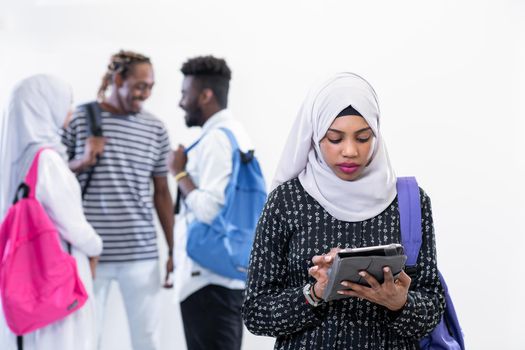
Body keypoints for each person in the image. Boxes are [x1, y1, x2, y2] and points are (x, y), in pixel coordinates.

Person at [242, 73, 446, 349]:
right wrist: (314, 293)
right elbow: (255, 312)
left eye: (363, 138)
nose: (350, 151)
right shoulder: (287, 200)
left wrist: (400, 304)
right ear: (314, 136)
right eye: (335, 138)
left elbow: (433, 304)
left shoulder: (410, 201)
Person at [61, 50, 174, 350]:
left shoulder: (156, 129)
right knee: (86, 339)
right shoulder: (80, 119)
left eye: (150, 86)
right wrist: (82, 161)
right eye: (140, 85)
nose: (146, 94)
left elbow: (161, 192)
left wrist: (173, 248)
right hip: (89, 253)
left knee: (147, 339)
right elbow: (53, 179)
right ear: (118, 79)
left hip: (140, 253)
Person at [0, 74, 103, 350]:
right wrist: (97, 245)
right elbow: (73, 227)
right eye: (66, 102)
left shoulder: (14, 158)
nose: (70, 110)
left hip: (25, 275)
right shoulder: (47, 160)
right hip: (57, 272)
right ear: (45, 106)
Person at [168, 55, 252, 350]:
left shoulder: (217, 139)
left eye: (184, 93)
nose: (180, 102)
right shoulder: (231, 134)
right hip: (220, 275)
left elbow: (210, 208)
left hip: (208, 280)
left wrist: (179, 172)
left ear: (205, 95)